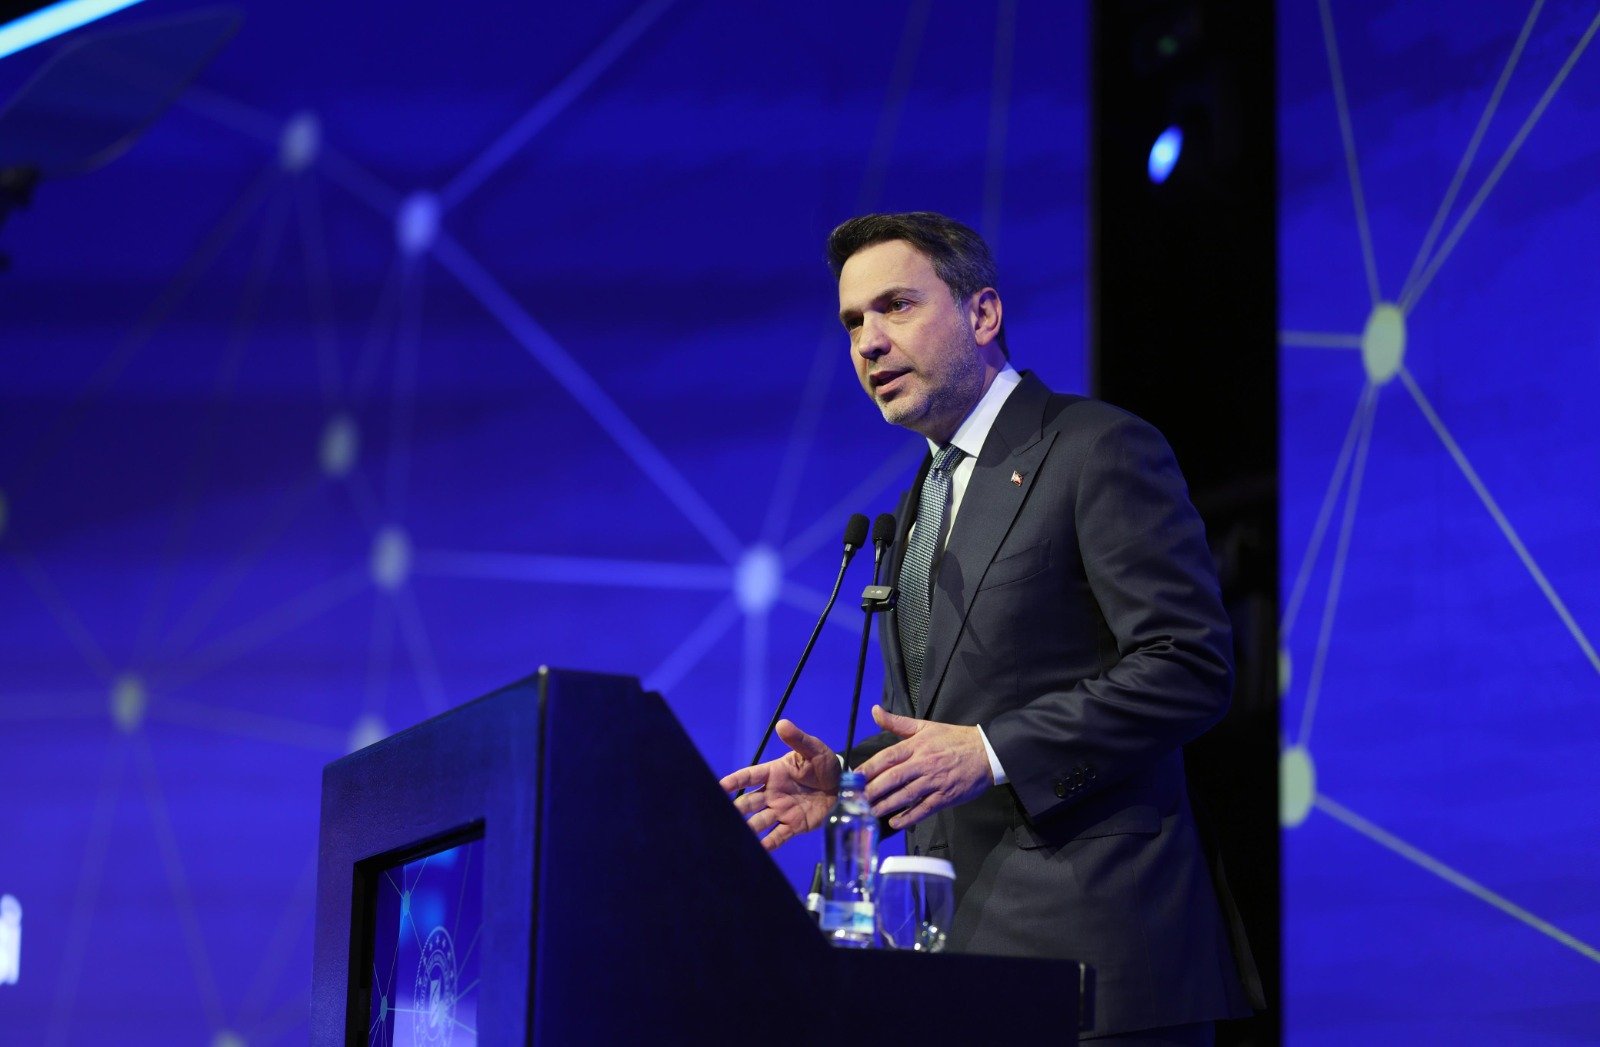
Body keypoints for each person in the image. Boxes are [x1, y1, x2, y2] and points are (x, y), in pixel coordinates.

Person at [719, 212, 1251, 1044]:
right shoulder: (916, 505)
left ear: (983, 313)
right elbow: (944, 726)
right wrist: (849, 787)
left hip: (1098, 966)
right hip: (964, 969)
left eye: (896, 305)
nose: (869, 342)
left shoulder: (1095, 449)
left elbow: (1190, 665)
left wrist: (992, 751)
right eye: (853, 322)